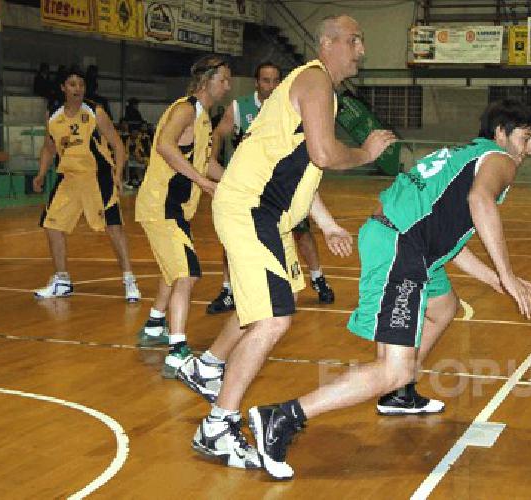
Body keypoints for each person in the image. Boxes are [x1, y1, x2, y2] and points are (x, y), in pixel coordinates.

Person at [245, 98, 531, 480]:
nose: (528, 150)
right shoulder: (499, 159)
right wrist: (509, 272)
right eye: (525, 139)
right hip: (400, 247)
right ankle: (283, 416)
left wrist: (495, 279)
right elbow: (480, 202)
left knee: (444, 306)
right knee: (393, 368)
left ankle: (400, 394)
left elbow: (448, 236)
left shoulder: (467, 155)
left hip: (404, 240)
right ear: (501, 133)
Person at [175, 14, 397, 471]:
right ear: (329, 43)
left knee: (267, 301)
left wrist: (329, 223)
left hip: (268, 216)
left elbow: (301, 171)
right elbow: (325, 155)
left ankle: (208, 365)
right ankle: (218, 426)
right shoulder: (315, 83)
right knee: (274, 320)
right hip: (251, 211)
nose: (361, 50)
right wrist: (366, 154)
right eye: (355, 41)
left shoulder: (315, 90)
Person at [203, 62, 336, 316]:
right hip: (251, 188)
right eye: (266, 80)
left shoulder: (290, 101)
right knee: (236, 241)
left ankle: (317, 277)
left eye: (276, 80)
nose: (271, 85)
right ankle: (228, 288)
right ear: (256, 82)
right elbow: (219, 133)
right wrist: (215, 158)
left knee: (303, 232)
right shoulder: (240, 107)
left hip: (284, 187)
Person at [132, 55, 232, 381]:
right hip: (161, 206)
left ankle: (154, 324)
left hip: (175, 207)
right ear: (207, 81)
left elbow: (206, 165)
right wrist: (204, 183)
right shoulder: (186, 109)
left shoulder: (203, 119)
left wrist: (237, 182)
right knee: (186, 274)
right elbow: (163, 145)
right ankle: (177, 353)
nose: (227, 86)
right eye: (223, 80)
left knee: (171, 269)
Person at [32, 67, 141, 302]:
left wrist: (118, 173)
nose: (77, 89)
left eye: (80, 84)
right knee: (52, 226)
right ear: (63, 88)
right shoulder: (53, 114)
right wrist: (41, 173)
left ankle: (129, 279)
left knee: (114, 228)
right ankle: (62, 280)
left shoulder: (94, 111)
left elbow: (117, 145)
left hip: (97, 176)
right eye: (72, 84)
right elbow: (49, 147)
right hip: (69, 178)